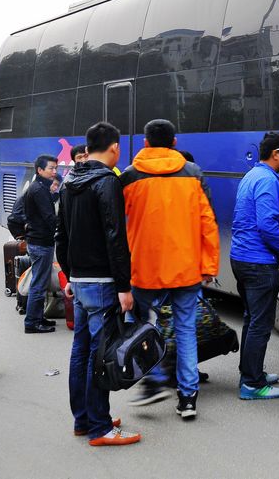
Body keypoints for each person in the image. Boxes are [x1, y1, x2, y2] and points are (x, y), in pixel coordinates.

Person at [120, 119, 220, 420]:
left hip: (144, 268)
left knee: (142, 324)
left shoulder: (130, 176)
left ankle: (152, 380)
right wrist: (209, 265)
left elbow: (115, 225)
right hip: (186, 268)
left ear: (145, 143)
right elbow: (207, 222)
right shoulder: (192, 174)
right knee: (186, 328)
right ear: (175, 143)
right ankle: (188, 398)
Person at [56, 121, 140, 446]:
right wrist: (124, 285)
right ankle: (101, 427)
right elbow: (116, 238)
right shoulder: (107, 182)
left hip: (79, 280)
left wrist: (69, 274)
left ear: (87, 148)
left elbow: (60, 235)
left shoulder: (69, 180)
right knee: (99, 354)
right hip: (104, 282)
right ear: (115, 148)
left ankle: (84, 418)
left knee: (81, 350)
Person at [230, 131, 279, 400]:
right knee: (261, 322)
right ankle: (252, 384)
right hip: (258, 261)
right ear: (276, 154)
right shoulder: (267, 181)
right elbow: (267, 224)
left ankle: (251, 371)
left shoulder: (251, 175)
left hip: (241, 257)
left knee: (251, 318)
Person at [23, 154, 58, 334]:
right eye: (51, 168)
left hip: (39, 241)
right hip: (40, 242)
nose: (54, 172)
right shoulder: (38, 190)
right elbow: (49, 217)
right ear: (40, 170)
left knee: (40, 282)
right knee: (38, 284)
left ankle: (37, 317)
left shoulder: (40, 187)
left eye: (55, 168)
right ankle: (32, 322)